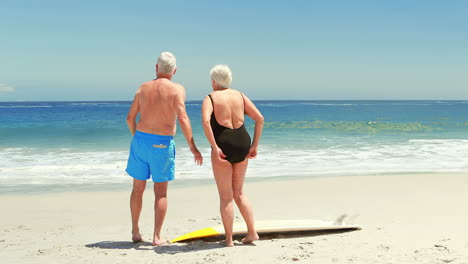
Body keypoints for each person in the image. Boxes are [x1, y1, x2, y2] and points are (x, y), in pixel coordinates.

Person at [126, 52, 203, 246]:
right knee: (160, 193)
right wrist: (193, 146)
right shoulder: (177, 90)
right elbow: (183, 118)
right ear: (174, 71)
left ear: (156, 68)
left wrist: (137, 137)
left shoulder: (142, 88)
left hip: (140, 141)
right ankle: (156, 237)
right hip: (161, 144)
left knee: (137, 189)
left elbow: (129, 118)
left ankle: (135, 231)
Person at [201, 64, 264, 247]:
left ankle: (229, 240)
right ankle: (252, 233)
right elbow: (260, 119)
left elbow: (206, 122)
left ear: (214, 81)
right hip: (242, 143)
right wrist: (254, 146)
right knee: (240, 193)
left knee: (226, 196)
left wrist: (215, 147)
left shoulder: (210, 98)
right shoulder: (240, 96)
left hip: (223, 145)